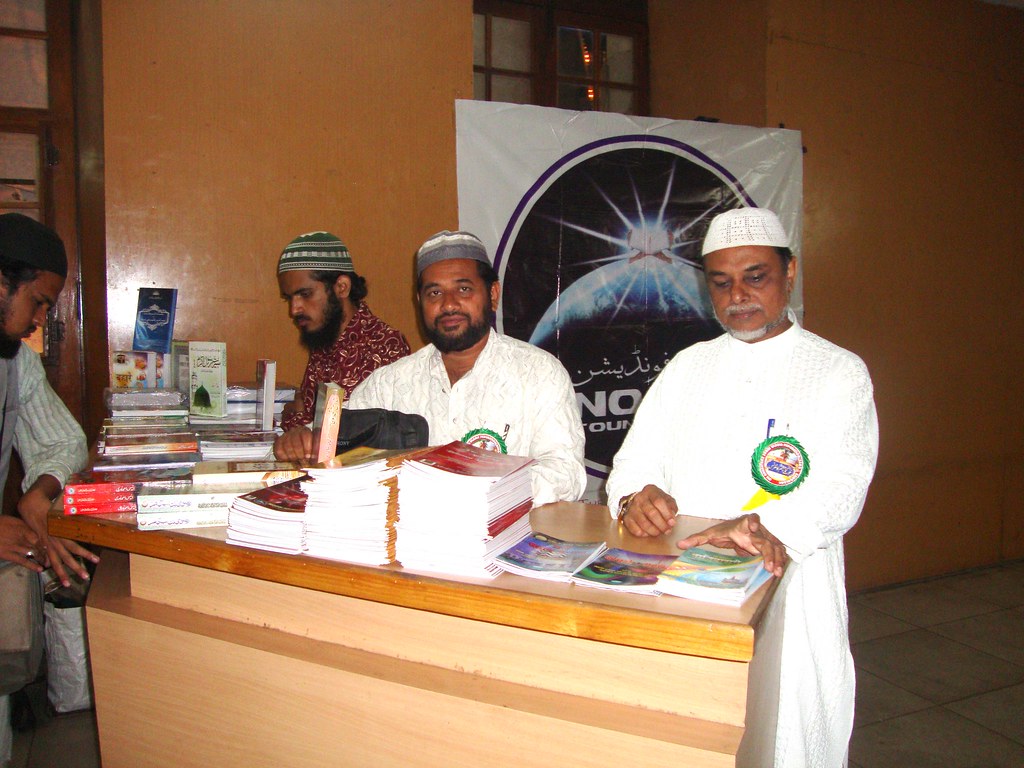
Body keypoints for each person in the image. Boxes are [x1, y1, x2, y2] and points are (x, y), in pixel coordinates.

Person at [606, 207, 878, 768]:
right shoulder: (686, 367)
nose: (738, 297)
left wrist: (760, 528)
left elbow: (843, 486)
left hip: (790, 590)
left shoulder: (838, 371)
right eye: (721, 282)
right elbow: (633, 463)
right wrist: (634, 499)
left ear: (790, 272)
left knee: (784, 737)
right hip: (683, 586)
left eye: (756, 277)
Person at [341, 230, 586, 505]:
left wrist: (478, 493)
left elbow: (565, 473)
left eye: (464, 289)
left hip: (508, 529)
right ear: (420, 302)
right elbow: (338, 441)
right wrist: (312, 437)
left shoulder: (539, 373)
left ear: (493, 294)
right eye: (434, 292)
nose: (448, 304)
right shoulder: (389, 384)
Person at [0, 214, 95, 762]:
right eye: (37, 302)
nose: (39, 321)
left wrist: (39, 493)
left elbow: (64, 440)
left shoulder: (16, 361)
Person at [273, 230, 410, 453]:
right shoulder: (325, 337)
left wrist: (294, 417)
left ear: (342, 287)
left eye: (305, 294)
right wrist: (296, 417)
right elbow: (309, 419)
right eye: (289, 298)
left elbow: (352, 439)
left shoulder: (383, 347)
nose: (294, 309)